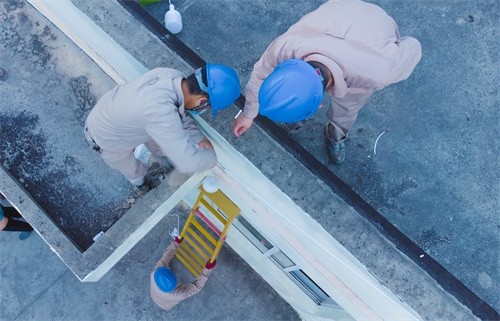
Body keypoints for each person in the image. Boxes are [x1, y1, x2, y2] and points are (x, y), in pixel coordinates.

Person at [233, 0, 422, 164]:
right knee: (345, 109)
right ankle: (305, 117)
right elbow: (259, 76)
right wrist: (249, 114)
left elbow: (413, 46)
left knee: (346, 109)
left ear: (320, 105)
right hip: (341, 8)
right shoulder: (285, 46)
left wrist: (390, 43)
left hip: (376, 23)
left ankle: (336, 135)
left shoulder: (378, 73)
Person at [85, 64, 240, 187]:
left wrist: (199, 138)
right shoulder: (160, 112)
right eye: (208, 107)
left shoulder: (172, 76)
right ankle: (140, 184)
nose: (205, 110)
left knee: (159, 140)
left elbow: (178, 114)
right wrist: (212, 158)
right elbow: (188, 161)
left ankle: (161, 155)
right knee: (132, 169)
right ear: (202, 101)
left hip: (115, 111)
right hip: (103, 137)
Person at [150, 237, 216, 310]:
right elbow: (196, 287)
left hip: (154, 295)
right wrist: (207, 269)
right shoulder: (178, 296)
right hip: (165, 305)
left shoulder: (155, 273)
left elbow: (166, 257)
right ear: (175, 287)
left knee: (164, 261)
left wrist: (176, 243)